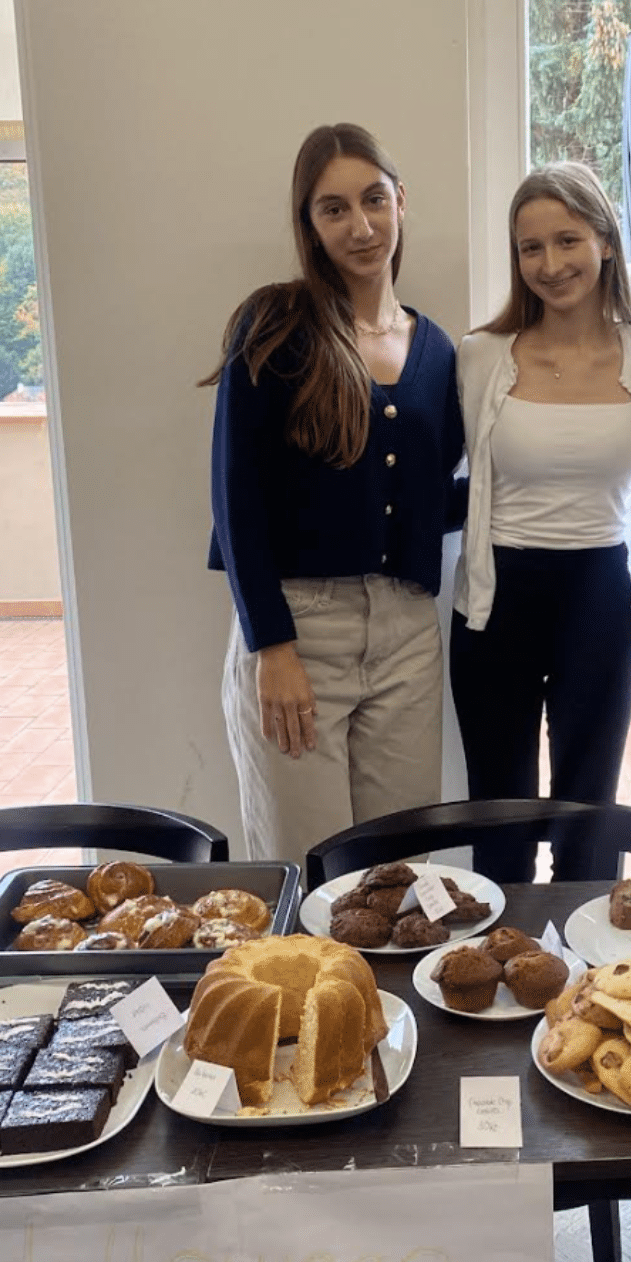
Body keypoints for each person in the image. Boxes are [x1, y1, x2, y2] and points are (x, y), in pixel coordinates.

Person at [203, 123, 464, 862]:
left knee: (399, 879)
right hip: (298, 631)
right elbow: (236, 495)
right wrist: (271, 645)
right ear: (310, 227)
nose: (361, 226)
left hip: (408, 636)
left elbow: (422, 497)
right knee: (309, 868)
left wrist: (525, 502)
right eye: (334, 209)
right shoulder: (277, 326)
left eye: (374, 200)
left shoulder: (439, 350)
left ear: (401, 202)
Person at [451, 162, 631, 883]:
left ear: (606, 242)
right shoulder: (480, 356)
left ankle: (584, 967)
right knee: (499, 813)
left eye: (567, 241)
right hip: (495, 599)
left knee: (591, 812)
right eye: (531, 248)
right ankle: (497, 969)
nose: (550, 265)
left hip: (599, 592)